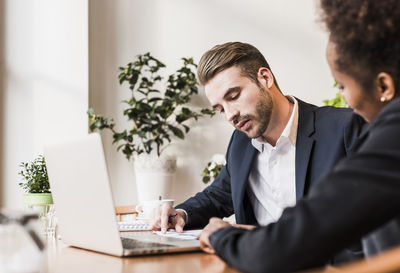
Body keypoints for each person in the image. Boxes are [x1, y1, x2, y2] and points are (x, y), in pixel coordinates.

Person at [198, 1, 400, 272]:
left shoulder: (382, 134)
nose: (343, 98)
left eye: (342, 85)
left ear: (384, 85)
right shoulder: (241, 144)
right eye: (220, 108)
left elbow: (289, 242)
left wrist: (221, 235)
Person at [151, 42, 365, 262]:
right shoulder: (241, 142)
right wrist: (180, 214)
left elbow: (371, 227)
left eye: (233, 96)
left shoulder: (344, 128)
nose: (230, 115)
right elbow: (218, 195)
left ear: (265, 78)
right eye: (220, 109)